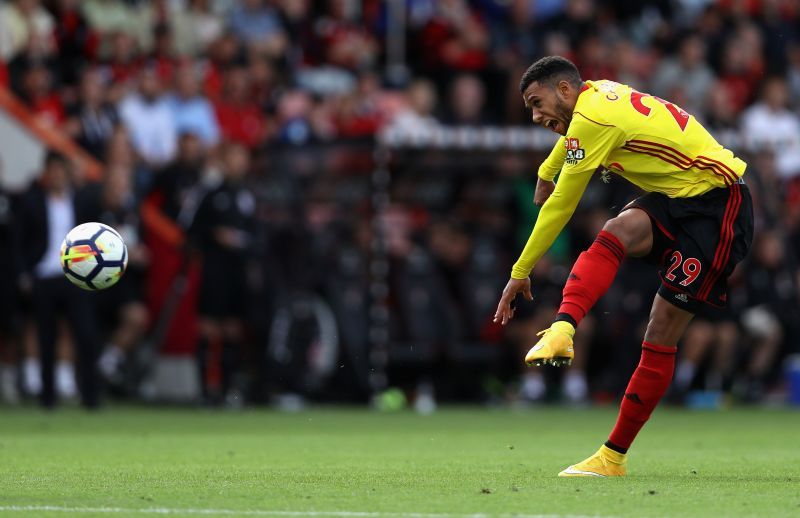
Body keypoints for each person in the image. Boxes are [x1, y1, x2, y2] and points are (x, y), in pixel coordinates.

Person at [493, 56, 753, 477]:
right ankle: (563, 327)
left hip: (719, 206)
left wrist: (519, 273)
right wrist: (547, 169)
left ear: (564, 90)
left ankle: (612, 457)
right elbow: (573, 140)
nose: (536, 116)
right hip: (678, 195)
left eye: (537, 103)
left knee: (661, 326)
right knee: (617, 230)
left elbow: (561, 206)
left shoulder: (594, 119)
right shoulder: (597, 95)